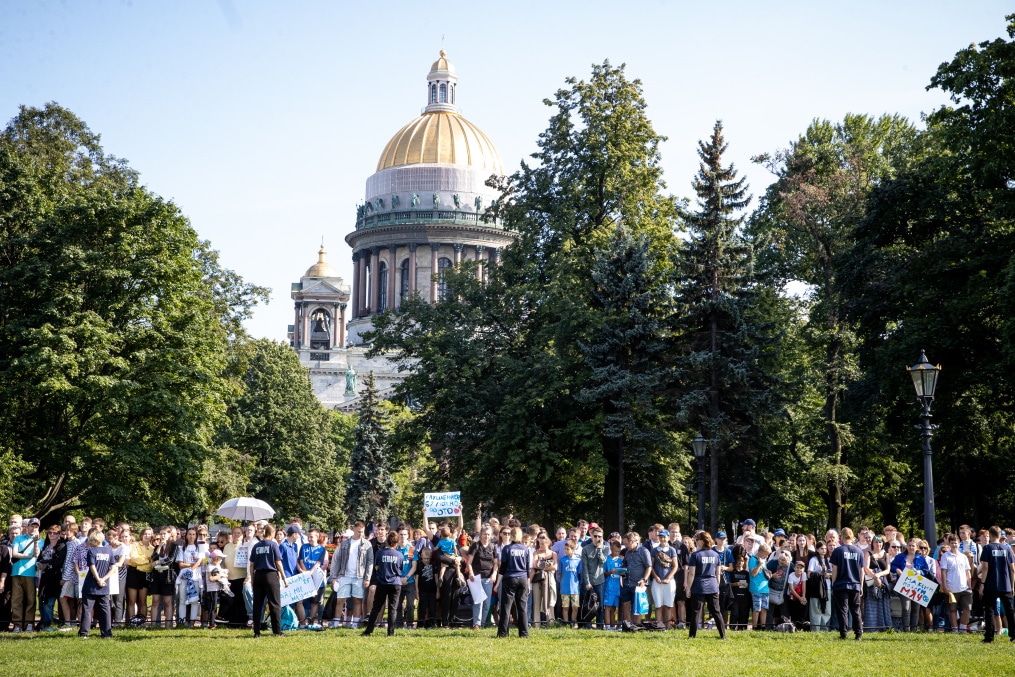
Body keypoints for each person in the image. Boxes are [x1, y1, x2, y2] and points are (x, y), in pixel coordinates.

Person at [327, 521, 373, 629]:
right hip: (344, 575)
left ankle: (355, 623)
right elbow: (338, 560)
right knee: (340, 600)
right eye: (358, 532)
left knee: (357, 600)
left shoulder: (367, 544)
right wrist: (334, 576)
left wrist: (367, 578)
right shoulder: (345, 543)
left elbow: (370, 562)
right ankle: (335, 623)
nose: (360, 534)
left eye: (362, 532)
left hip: (359, 576)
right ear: (353, 530)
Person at [830, 527, 872, 640]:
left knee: (842, 610)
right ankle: (858, 633)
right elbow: (862, 570)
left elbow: (835, 569)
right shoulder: (858, 551)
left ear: (842, 537)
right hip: (855, 584)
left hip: (841, 584)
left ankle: (843, 633)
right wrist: (861, 585)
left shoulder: (837, 551)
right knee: (856, 610)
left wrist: (833, 584)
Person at [684, 531, 727, 639]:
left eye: (697, 539)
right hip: (712, 585)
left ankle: (692, 636)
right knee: (717, 612)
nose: (695, 541)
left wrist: (688, 588)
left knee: (696, 612)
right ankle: (723, 636)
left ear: (702, 541)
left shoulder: (695, 555)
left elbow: (692, 573)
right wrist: (717, 586)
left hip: (699, 586)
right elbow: (718, 573)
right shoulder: (716, 554)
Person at [248, 523, 287, 637]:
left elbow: (251, 565)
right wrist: (284, 578)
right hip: (271, 575)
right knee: (274, 604)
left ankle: (256, 632)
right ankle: (277, 631)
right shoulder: (273, 545)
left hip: (258, 575)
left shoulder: (256, 546)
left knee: (257, 604)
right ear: (272, 533)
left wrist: (252, 579)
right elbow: (278, 562)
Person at [978, 525, 1015, 643]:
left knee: (989, 611)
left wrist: (982, 583)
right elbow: (1013, 568)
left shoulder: (987, 548)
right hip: (1006, 585)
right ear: (1000, 535)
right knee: (1010, 611)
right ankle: (1014, 636)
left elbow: (985, 567)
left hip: (990, 584)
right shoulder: (1007, 548)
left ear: (991, 534)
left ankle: (989, 638)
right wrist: (1012, 585)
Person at [361, 531, 403, 636]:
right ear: (396, 543)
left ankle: (368, 631)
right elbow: (400, 569)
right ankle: (390, 633)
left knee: (376, 608)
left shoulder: (380, 553)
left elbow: (376, 566)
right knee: (392, 609)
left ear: (387, 541)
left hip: (382, 582)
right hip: (395, 583)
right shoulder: (399, 555)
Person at [890, 537, 931, 632]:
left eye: (913, 546)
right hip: (904, 585)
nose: (911, 547)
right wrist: (897, 570)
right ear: (906, 546)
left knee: (916, 609)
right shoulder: (900, 556)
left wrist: (920, 572)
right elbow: (892, 566)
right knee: (906, 608)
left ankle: (913, 629)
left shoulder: (920, 558)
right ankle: (906, 629)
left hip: (917, 585)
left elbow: (926, 570)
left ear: (916, 547)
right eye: (909, 545)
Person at [78, 529, 113, 639]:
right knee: (105, 610)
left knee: (87, 609)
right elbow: (113, 568)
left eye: (91, 540)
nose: (89, 542)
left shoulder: (92, 551)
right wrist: (103, 579)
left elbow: (92, 566)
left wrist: (98, 579)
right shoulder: (109, 550)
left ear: (94, 540)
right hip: (104, 585)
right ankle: (106, 633)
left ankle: (84, 633)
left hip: (91, 585)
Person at [496, 526, 530, 638]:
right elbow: (527, 568)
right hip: (523, 579)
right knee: (522, 607)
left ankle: (503, 633)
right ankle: (524, 633)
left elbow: (503, 568)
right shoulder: (526, 549)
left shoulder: (507, 549)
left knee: (506, 607)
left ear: (511, 535)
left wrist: (497, 583)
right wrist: (528, 583)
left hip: (509, 578)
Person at [10, 517, 41, 632]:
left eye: (36, 527)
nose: (33, 528)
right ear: (27, 527)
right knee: (16, 599)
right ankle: (17, 624)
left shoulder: (40, 540)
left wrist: (36, 542)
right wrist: (29, 556)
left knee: (31, 600)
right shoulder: (18, 538)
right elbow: (15, 553)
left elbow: (36, 554)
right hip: (16, 572)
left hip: (30, 573)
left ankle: (29, 623)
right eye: (32, 526)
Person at [939, 533, 972, 633]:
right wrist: (944, 586)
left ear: (959, 544)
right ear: (949, 544)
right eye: (952, 543)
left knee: (967, 609)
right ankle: (955, 630)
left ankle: (962, 628)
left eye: (956, 543)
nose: (954, 545)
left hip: (964, 587)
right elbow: (943, 572)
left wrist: (970, 587)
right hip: (951, 588)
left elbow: (968, 572)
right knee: (952, 610)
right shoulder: (945, 556)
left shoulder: (963, 557)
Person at [466, 524, 497, 629]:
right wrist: (471, 573)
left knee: (487, 603)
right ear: (481, 535)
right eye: (484, 534)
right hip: (477, 577)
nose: (486, 536)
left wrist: (494, 574)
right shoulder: (475, 546)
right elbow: (469, 562)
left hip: (488, 578)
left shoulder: (493, 547)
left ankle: (483, 623)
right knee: (478, 602)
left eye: (488, 534)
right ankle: (476, 624)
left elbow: (496, 563)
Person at [298, 527, 328, 629]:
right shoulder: (304, 547)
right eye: (308, 537)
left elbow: (318, 563)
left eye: (311, 537)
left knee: (315, 602)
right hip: (305, 577)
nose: (309, 539)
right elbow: (301, 560)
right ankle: (302, 622)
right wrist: (306, 573)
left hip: (316, 579)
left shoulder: (322, 549)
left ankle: (311, 621)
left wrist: (311, 572)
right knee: (301, 600)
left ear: (317, 537)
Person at [580, 526, 609, 629]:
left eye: (599, 536)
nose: (597, 538)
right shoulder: (585, 549)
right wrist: (587, 582)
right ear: (591, 536)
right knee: (587, 605)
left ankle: (599, 626)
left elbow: (602, 561)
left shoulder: (606, 548)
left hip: (600, 581)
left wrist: (599, 549)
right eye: (595, 536)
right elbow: (585, 567)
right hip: (588, 581)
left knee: (600, 606)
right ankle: (587, 626)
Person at [650, 529, 678, 628]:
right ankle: (659, 626)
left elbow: (675, 566)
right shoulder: (654, 550)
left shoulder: (672, 550)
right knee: (658, 605)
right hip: (657, 581)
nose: (663, 539)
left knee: (668, 605)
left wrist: (668, 578)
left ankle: (668, 626)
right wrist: (656, 577)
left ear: (668, 537)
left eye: (664, 537)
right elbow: (651, 566)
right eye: (661, 537)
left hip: (669, 582)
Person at [125, 526, 154, 622]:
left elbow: (150, 566)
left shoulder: (153, 549)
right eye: (145, 534)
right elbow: (134, 558)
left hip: (145, 575)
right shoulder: (135, 545)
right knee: (131, 600)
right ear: (141, 535)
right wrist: (147, 560)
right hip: (133, 573)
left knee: (143, 601)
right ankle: (132, 621)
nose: (147, 536)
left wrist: (141, 562)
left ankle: (142, 621)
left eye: (149, 534)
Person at [529, 531, 557, 627]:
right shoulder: (535, 552)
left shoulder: (553, 553)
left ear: (548, 540)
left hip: (550, 579)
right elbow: (535, 565)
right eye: (540, 538)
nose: (542, 540)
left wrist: (542, 566)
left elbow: (555, 567)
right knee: (537, 601)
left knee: (550, 600)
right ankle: (537, 624)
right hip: (538, 579)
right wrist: (548, 565)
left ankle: (551, 623)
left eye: (544, 538)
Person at [806, 541, 832, 631]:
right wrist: (822, 575)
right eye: (821, 548)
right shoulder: (814, 560)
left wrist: (830, 575)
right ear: (817, 549)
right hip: (816, 588)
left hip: (827, 587)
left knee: (827, 610)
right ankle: (815, 630)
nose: (824, 550)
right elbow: (809, 574)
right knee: (815, 609)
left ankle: (824, 629)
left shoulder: (828, 560)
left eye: (825, 548)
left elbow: (833, 573)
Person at [748, 543, 772, 629]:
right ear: (760, 552)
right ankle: (754, 627)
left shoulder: (763, 560)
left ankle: (763, 627)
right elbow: (753, 573)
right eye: (766, 554)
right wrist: (759, 565)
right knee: (756, 609)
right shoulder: (753, 560)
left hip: (765, 588)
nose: (767, 556)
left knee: (764, 609)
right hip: (756, 588)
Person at [603, 540, 624, 630]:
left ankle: (612, 625)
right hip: (608, 587)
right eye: (615, 551)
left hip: (617, 588)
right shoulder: (606, 559)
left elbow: (622, 573)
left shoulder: (620, 560)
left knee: (614, 608)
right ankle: (607, 626)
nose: (617, 553)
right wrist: (610, 572)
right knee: (608, 607)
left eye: (618, 551)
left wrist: (622, 573)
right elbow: (603, 573)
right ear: (611, 549)